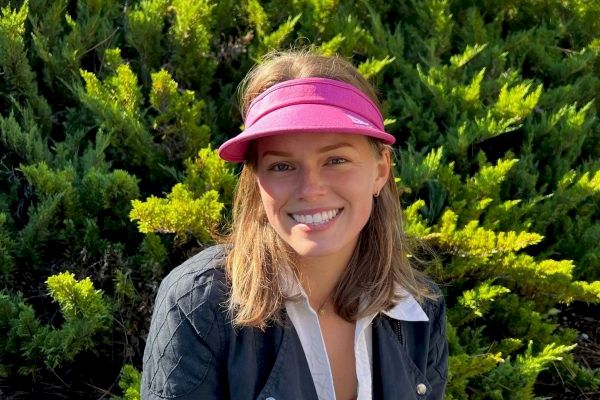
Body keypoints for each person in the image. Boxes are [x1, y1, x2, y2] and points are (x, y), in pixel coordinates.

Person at [141, 49, 448, 400]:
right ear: (257, 180)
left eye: (336, 160)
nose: (310, 189)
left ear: (380, 170)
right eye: (282, 166)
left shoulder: (420, 311)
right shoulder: (198, 305)